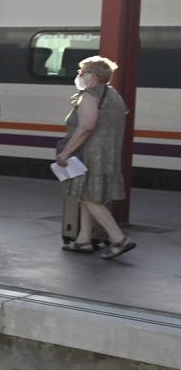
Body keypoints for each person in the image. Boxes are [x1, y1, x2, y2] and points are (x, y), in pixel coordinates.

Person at [58, 56, 135, 259]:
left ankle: (119, 239)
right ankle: (83, 240)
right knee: (86, 196)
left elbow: (86, 127)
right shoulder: (113, 95)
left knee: (90, 198)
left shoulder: (90, 96)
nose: (79, 76)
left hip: (90, 154)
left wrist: (66, 152)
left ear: (93, 76)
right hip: (107, 153)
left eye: (82, 72)